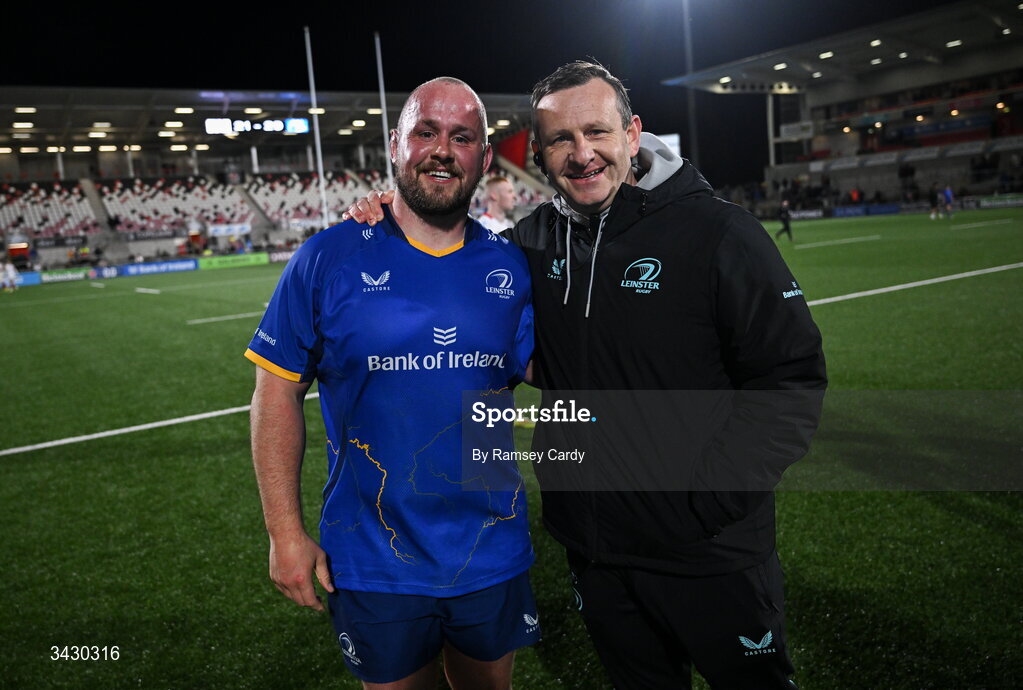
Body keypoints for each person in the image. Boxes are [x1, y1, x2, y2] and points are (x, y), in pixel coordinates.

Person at [345, 60, 826, 690]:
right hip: (596, 551)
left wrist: (711, 500)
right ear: (540, 156)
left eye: (597, 132)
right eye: (560, 141)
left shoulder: (718, 232)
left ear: (633, 133)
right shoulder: (530, 244)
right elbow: (452, 270)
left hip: (709, 550)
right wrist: (388, 217)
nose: (582, 154)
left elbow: (790, 377)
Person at [246, 77, 539, 690]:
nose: (442, 149)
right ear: (395, 145)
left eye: (462, 138)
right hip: (374, 558)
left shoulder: (511, 266)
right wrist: (284, 533)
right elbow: (275, 393)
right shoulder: (326, 258)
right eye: (425, 132)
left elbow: (552, 370)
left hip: (490, 549)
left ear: (484, 158)